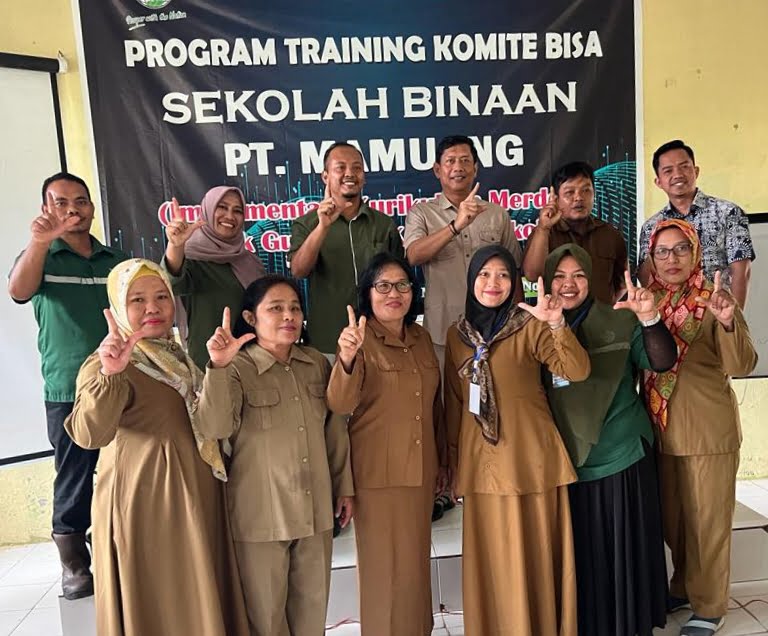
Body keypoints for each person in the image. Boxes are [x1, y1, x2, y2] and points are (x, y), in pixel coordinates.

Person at [64, 259, 248, 636]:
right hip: (148, 507)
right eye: (137, 299)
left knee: (196, 596)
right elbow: (89, 434)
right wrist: (109, 374)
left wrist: (218, 369)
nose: (153, 307)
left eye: (162, 296)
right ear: (117, 306)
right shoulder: (107, 363)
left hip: (193, 499)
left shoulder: (177, 357)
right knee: (162, 603)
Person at [196, 275, 354, 636]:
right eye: (276, 308)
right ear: (250, 318)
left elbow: (335, 429)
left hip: (315, 512)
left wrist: (344, 486)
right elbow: (215, 427)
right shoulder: (235, 368)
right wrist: (217, 367)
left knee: (312, 615)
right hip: (260, 517)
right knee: (266, 621)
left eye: (295, 308)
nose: (289, 317)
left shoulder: (315, 363)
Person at [445, 245, 590, 636]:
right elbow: (455, 407)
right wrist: (454, 469)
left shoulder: (530, 324)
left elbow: (576, 371)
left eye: (503, 275)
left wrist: (556, 325)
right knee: (493, 561)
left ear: (515, 283)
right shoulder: (457, 336)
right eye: (484, 275)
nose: (493, 283)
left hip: (531, 461)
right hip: (482, 466)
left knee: (535, 558)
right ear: (471, 280)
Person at [542, 244, 677, 636]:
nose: (569, 285)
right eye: (560, 277)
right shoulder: (535, 328)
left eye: (579, 276)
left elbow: (662, 361)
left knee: (622, 556)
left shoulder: (619, 321)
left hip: (620, 453)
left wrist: (650, 318)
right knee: (581, 558)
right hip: (566, 460)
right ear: (546, 282)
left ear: (592, 279)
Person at [8, 172, 128, 600]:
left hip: (119, 382)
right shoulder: (41, 256)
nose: (73, 209)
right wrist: (40, 243)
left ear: (92, 207)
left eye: (81, 201)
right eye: (61, 203)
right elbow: (18, 291)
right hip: (67, 389)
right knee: (75, 475)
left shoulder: (115, 260)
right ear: (47, 209)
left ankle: (119, 545)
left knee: (126, 470)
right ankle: (74, 563)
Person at [643, 219, 757, 636]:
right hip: (661, 432)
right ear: (651, 258)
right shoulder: (648, 299)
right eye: (662, 251)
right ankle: (684, 586)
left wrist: (727, 322)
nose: (671, 259)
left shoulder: (714, 298)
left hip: (708, 432)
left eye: (680, 250)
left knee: (707, 523)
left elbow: (742, 365)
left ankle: (710, 606)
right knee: (675, 522)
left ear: (695, 253)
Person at [326, 253, 448, 636]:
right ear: (368, 294)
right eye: (383, 286)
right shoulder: (360, 341)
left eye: (402, 285)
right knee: (383, 575)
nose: (394, 293)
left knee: (414, 569)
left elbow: (436, 406)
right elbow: (340, 404)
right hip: (377, 476)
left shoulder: (422, 338)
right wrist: (346, 358)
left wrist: (444, 462)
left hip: (421, 473)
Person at [403, 134, 523, 370]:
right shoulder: (422, 213)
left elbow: (514, 271)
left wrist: (517, 323)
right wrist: (455, 226)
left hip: (494, 329)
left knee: (495, 397)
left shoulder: (496, 214)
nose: (458, 167)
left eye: (465, 161)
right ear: (437, 170)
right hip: (444, 330)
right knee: (449, 401)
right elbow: (413, 256)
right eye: (450, 161)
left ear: (475, 168)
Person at [288, 142, 405, 356]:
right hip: (328, 342)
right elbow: (298, 270)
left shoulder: (383, 224)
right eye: (340, 167)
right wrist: (322, 227)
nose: (349, 173)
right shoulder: (306, 224)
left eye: (356, 167)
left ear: (364, 176)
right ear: (325, 176)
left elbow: (401, 282)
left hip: (380, 340)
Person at [638, 140, 755, 308]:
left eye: (684, 166)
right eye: (668, 170)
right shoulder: (652, 226)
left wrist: (734, 319)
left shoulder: (728, 212)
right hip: (670, 319)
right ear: (659, 182)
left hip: (716, 312)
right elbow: (647, 278)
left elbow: (741, 272)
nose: (677, 174)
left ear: (696, 171)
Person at [162, 186, 266, 368]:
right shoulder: (192, 259)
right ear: (208, 211)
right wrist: (175, 245)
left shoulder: (251, 262)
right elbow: (171, 282)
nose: (230, 216)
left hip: (253, 362)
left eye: (237, 210)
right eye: (222, 207)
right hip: (209, 363)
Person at [522, 161, 628, 303]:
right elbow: (532, 275)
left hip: (601, 323)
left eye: (586, 190)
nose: (578, 198)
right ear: (556, 198)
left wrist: (603, 311)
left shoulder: (610, 235)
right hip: (557, 321)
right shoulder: (544, 233)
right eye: (569, 192)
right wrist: (543, 228)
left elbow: (622, 284)